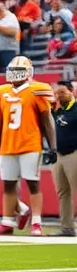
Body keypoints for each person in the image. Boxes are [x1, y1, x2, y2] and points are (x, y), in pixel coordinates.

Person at [0, 56, 56, 236]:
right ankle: (7, 221)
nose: (15, 74)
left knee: (33, 184)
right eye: (13, 71)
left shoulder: (37, 90)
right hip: (7, 145)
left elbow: (47, 120)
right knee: (8, 185)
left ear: (28, 72)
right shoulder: (2, 91)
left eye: (19, 71)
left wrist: (52, 146)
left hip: (30, 144)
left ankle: (36, 223)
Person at [51, 81, 77, 237]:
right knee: (63, 192)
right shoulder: (58, 110)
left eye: (62, 92)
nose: (59, 96)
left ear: (71, 91)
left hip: (74, 153)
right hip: (59, 155)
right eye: (57, 93)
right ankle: (67, 227)